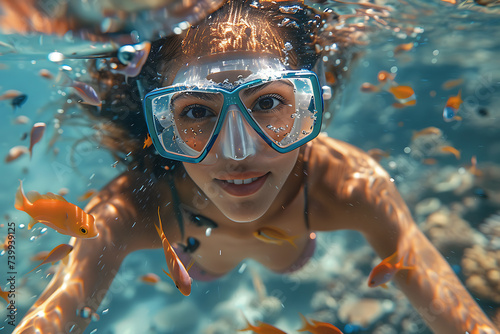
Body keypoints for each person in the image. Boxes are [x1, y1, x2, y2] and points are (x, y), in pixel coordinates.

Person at [13, 1, 497, 333]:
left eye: (267, 102)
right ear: (158, 123)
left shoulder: (350, 184)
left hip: (259, 248)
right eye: (197, 112)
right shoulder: (132, 208)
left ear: (312, 105)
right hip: (198, 259)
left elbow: (456, 312)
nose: (237, 152)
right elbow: (61, 308)